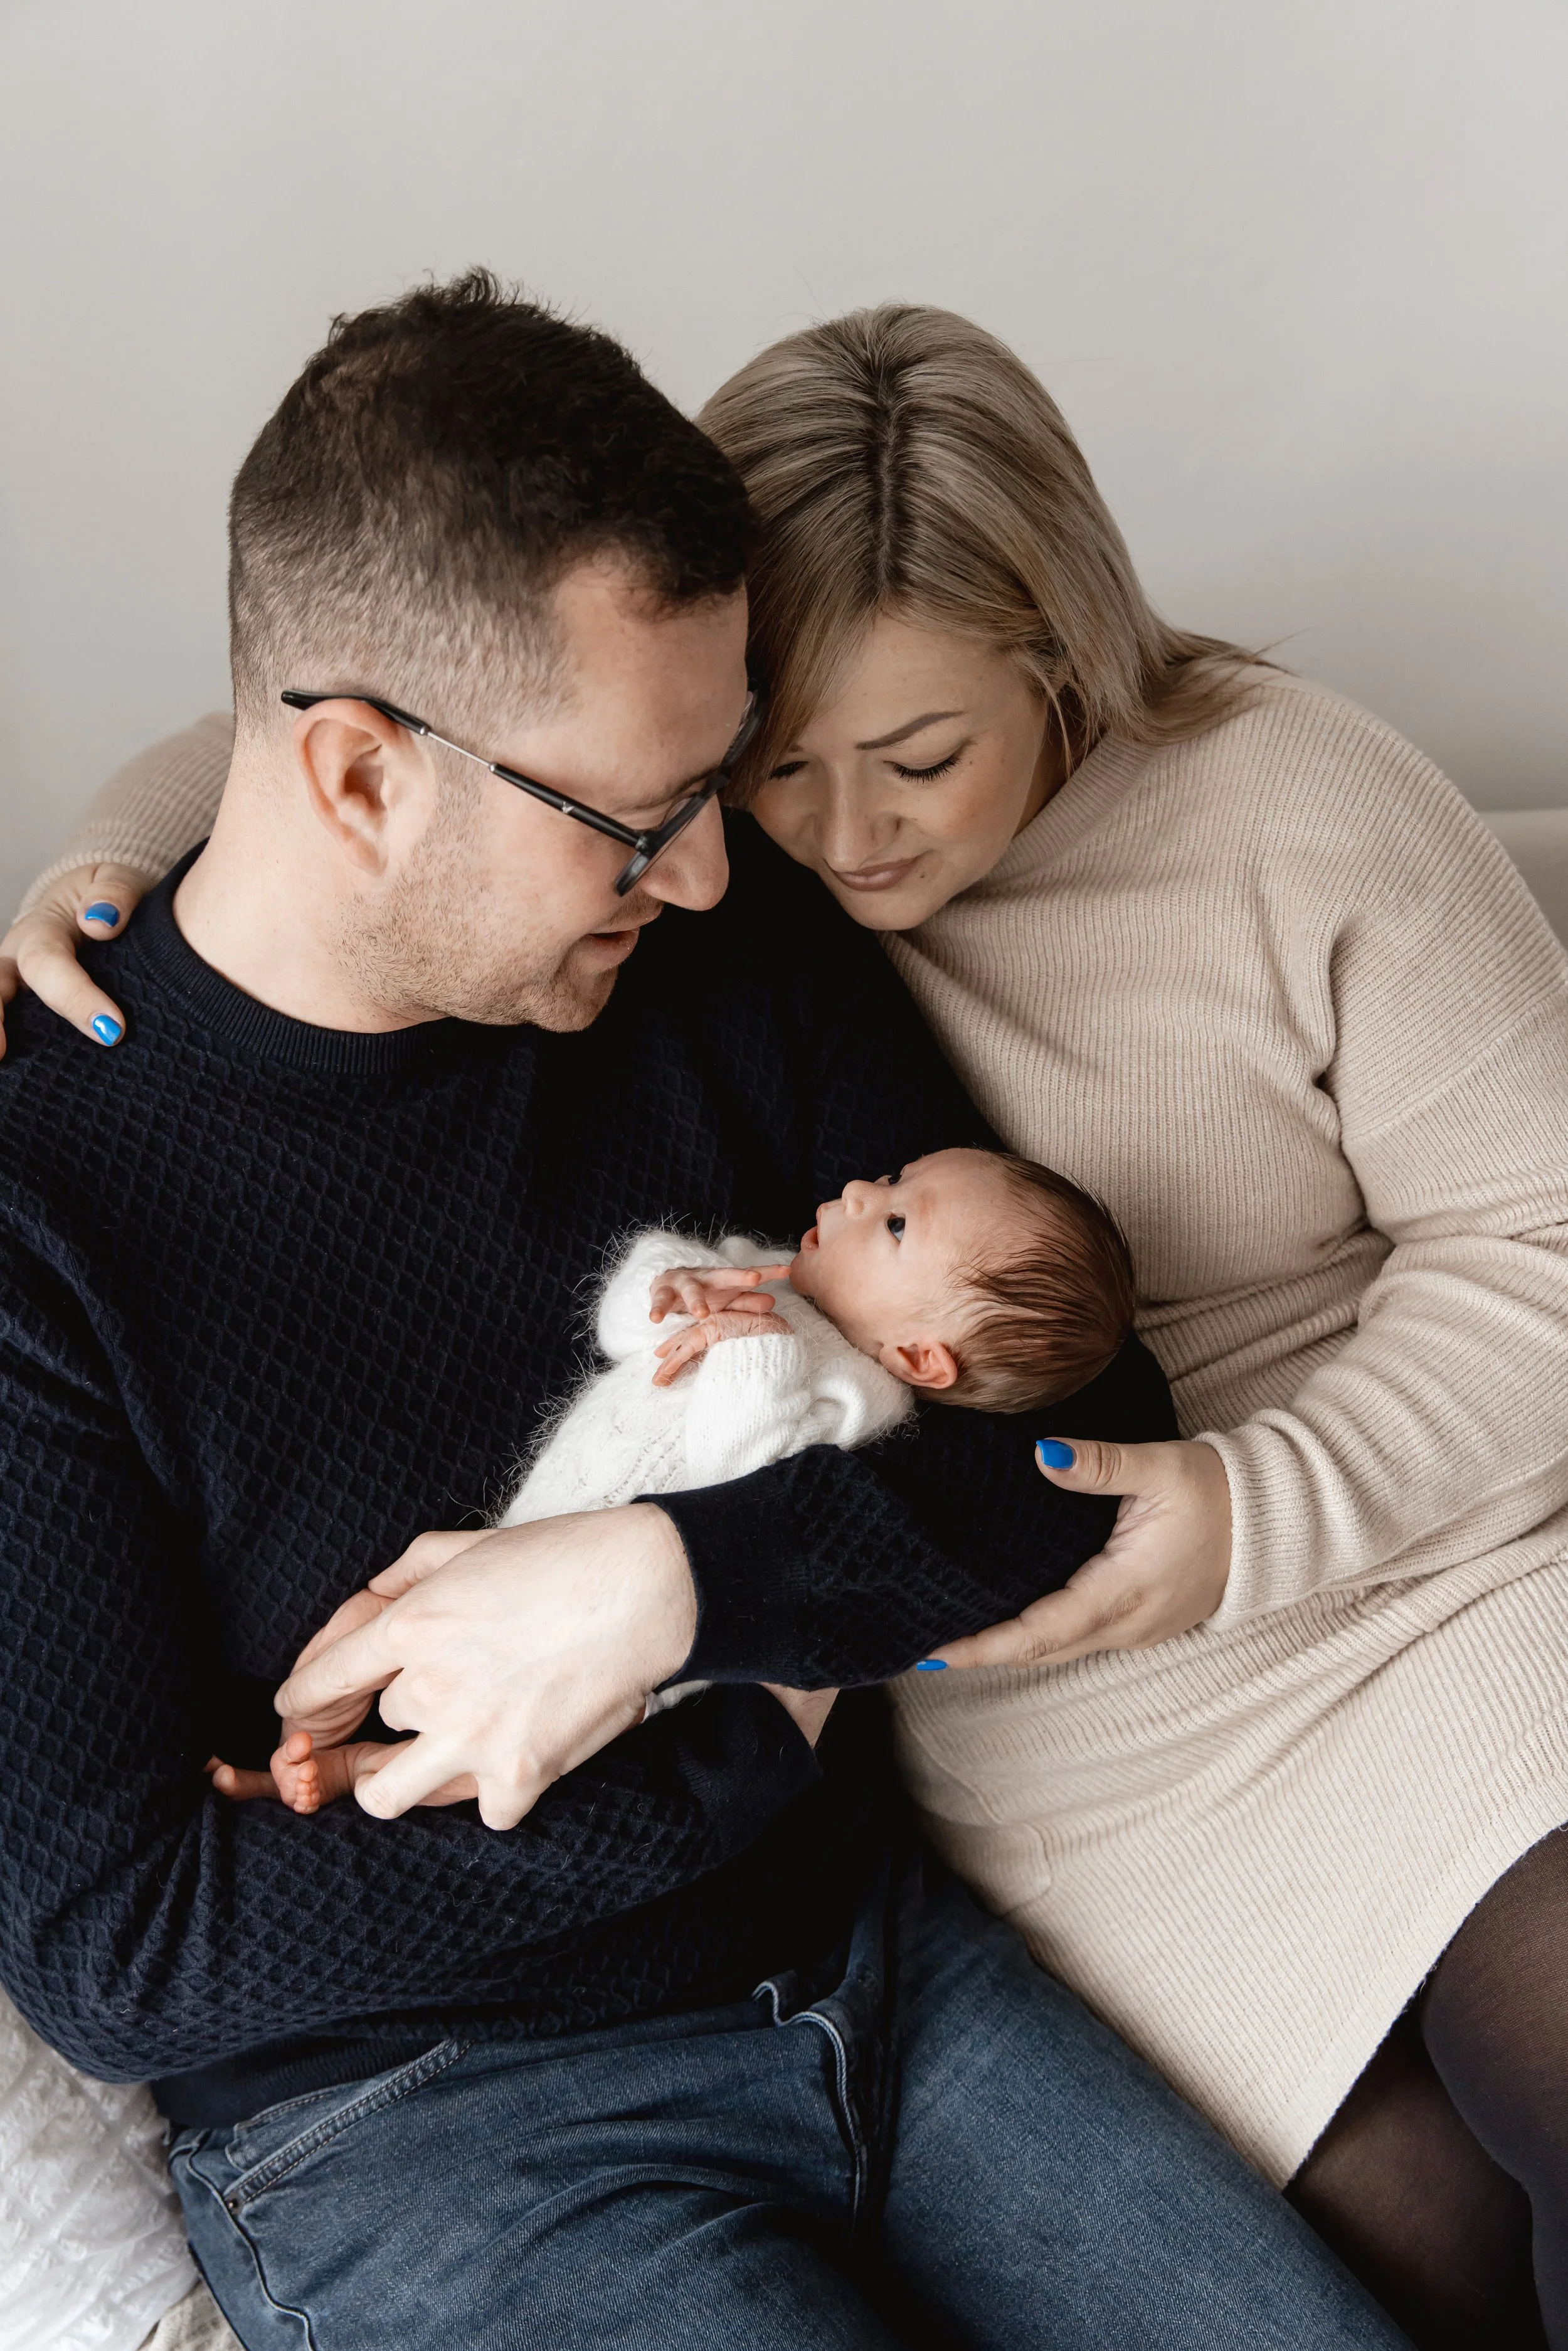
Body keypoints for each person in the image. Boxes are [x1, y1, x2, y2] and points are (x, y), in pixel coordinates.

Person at [18, 297, 1566, 2351]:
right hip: (432, 2114)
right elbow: (127, 1945)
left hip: (896, 1977)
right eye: (655, 806)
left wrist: (670, 1582)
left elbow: (1063, 1429)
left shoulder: (693, 951)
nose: (736, 856)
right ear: (362, 779)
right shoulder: (52, 1215)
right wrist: (750, 1721)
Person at [211, 1148, 1136, 1813]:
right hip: (518, 1544)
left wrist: (752, 1345)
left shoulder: (863, 1402)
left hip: (613, 1653)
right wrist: (677, 1286)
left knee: (501, 1760)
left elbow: (750, 1475)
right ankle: (306, 1727)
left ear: (919, 1357)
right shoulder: (763, 1276)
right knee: (373, 1612)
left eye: (893, 1222)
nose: (859, 1190)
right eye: (892, 1177)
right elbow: (626, 1325)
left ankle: (352, 1771)